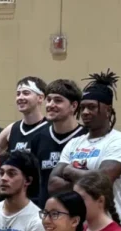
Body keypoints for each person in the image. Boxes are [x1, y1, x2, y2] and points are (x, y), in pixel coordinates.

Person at [48, 70, 121, 229]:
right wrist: (89, 179)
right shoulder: (74, 143)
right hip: (75, 227)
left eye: (92, 107)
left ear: (108, 110)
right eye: (83, 107)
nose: (86, 112)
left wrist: (69, 171)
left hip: (109, 225)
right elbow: (53, 184)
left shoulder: (119, 141)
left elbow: (101, 182)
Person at [32, 78, 86, 206]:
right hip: (46, 213)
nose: (50, 105)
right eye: (49, 99)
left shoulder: (86, 137)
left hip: (78, 213)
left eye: (58, 100)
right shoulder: (38, 138)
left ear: (73, 106)